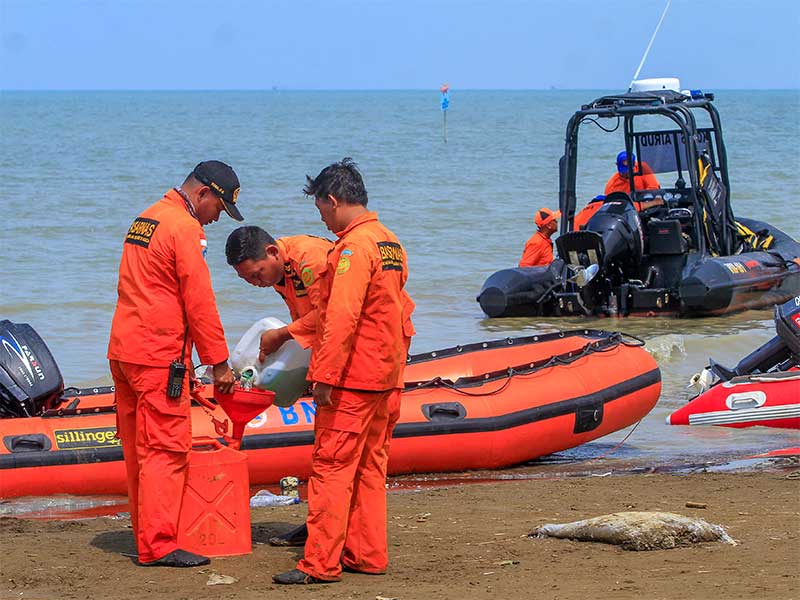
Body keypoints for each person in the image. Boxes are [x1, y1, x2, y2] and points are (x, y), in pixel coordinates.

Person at [272, 158, 415, 585]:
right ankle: (367, 554)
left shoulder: (354, 248)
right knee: (371, 467)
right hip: (387, 377)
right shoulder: (390, 241)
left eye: (320, 209)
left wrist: (324, 378)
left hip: (354, 379)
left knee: (331, 468)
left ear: (332, 201)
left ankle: (319, 563)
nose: (321, 218)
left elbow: (341, 317)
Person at [107, 160, 241, 568]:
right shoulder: (184, 228)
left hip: (124, 349)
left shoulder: (145, 218)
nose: (218, 218)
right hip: (157, 356)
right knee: (165, 449)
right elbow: (199, 301)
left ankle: (146, 533)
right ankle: (159, 544)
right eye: (219, 207)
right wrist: (218, 363)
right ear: (202, 194)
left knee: (138, 450)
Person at [225, 226, 332, 360]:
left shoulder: (308, 259)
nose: (254, 283)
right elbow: (302, 315)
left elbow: (328, 313)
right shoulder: (277, 271)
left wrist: (281, 335)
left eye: (256, 275)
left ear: (273, 252)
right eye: (245, 279)